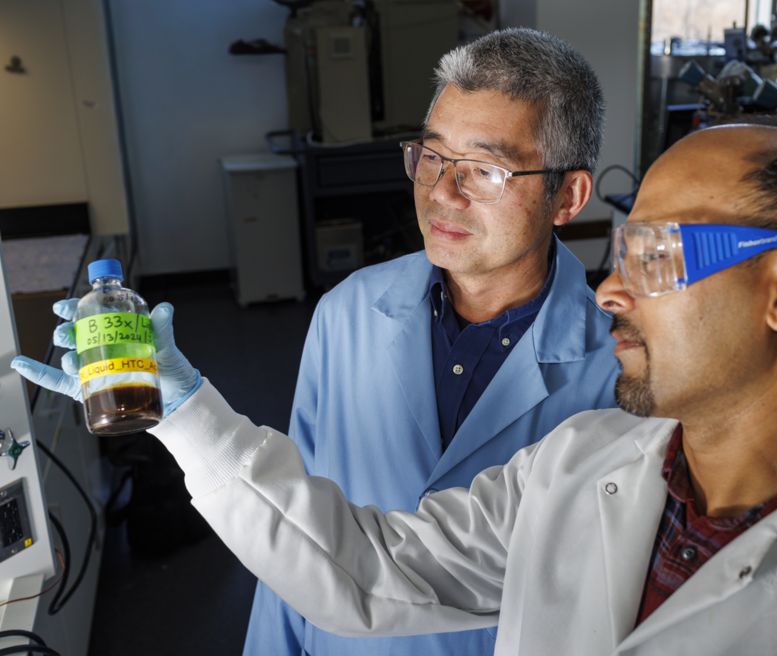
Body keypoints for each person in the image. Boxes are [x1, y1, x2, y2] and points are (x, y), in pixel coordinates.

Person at [16, 122, 777, 654]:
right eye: (621, 250)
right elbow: (366, 568)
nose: (609, 290)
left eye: (658, 254)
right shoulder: (579, 464)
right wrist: (184, 414)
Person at [16, 28, 619, 656]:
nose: (441, 192)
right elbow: (294, 509)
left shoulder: (621, 372)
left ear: (568, 196)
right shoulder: (349, 311)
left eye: (486, 171)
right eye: (433, 157)